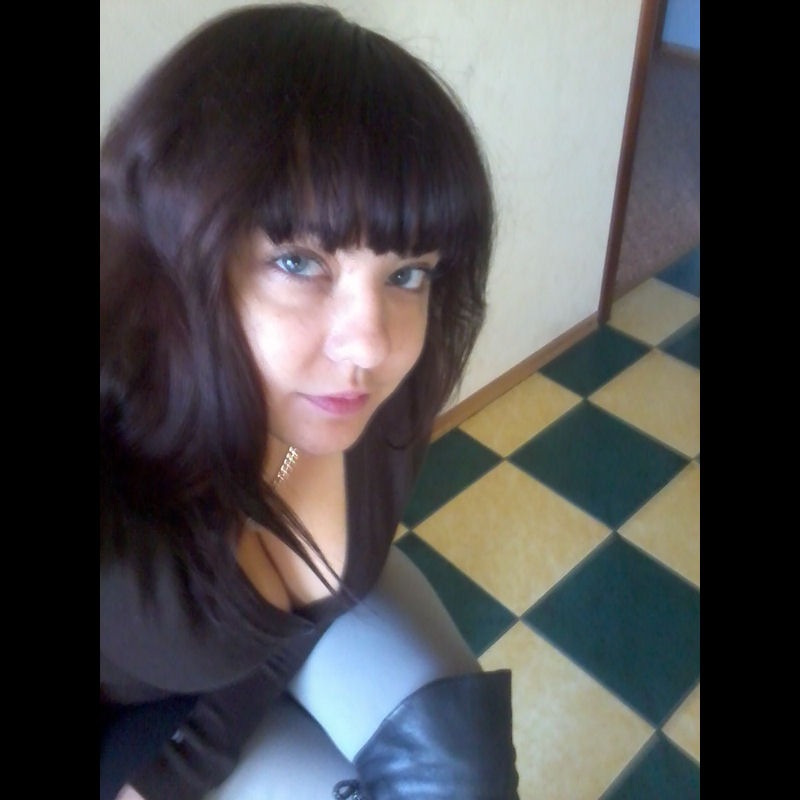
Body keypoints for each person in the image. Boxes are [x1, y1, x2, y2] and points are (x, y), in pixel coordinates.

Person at [100, 5, 518, 799]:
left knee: (462, 777)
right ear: (182, 252)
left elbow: (289, 626)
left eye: (407, 274)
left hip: (225, 693)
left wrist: (183, 771)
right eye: (298, 262)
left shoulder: (375, 391)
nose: (370, 346)